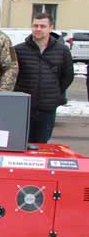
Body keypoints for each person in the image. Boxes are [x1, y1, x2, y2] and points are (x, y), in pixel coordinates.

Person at [14, 11, 74, 143]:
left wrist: (55, 93)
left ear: (51, 28)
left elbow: (68, 76)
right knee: (20, 144)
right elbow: (13, 75)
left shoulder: (62, 51)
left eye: (42, 26)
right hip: (24, 108)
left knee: (42, 145)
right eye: (35, 25)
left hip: (47, 108)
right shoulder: (18, 50)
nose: (38, 29)